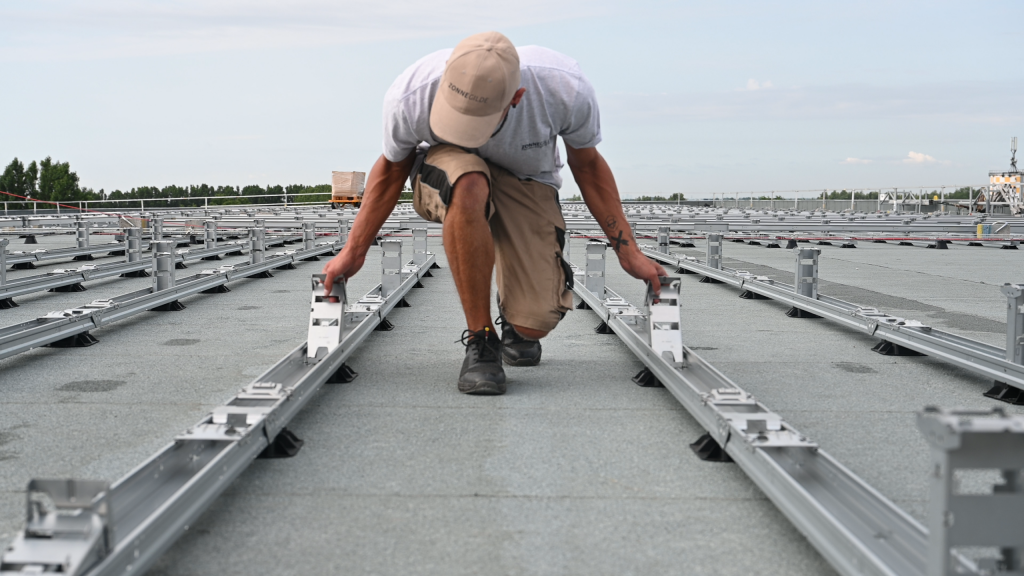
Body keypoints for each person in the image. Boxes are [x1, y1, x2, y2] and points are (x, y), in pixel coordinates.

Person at [322, 31, 666, 396]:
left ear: (517, 98)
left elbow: (589, 168)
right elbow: (392, 170)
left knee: (534, 324)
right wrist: (353, 251)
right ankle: (481, 339)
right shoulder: (412, 92)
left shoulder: (564, 87)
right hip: (452, 171)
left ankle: (515, 322)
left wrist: (628, 251)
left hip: (527, 177)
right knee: (470, 184)